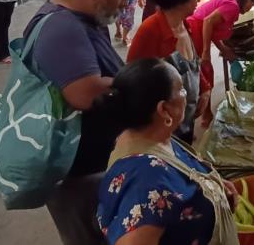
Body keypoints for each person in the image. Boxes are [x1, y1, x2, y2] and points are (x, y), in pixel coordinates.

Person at [23, 0, 131, 245]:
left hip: (94, 164)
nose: (124, 2)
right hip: (77, 171)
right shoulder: (62, 27)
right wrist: (135, 80)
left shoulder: (85, 19)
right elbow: (83, 93)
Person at [95, 58, 239, 245]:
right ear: (163, 109)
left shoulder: (147, 135)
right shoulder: (146, 184)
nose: (186, 93)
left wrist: (213, 188)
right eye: (181, 89)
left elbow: (178, 184)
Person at [127, 0, 205, 142]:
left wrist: (205, 89)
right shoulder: (150, 30)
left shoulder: (187, 25)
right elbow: (132, 82)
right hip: (162, 129)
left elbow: (194, 65)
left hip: (186, 118)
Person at [186, 0, 254, 126]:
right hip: (195, 33)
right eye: (252, 3)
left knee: (202, 74)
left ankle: (202, 115)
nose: (251, 8)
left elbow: (212, 28)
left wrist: (224, 49)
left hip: (196, 32)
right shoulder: (233, 6)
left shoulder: (229, 2)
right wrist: (206, 52)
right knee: (204, 73)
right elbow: (207, 22)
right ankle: (202, 116)